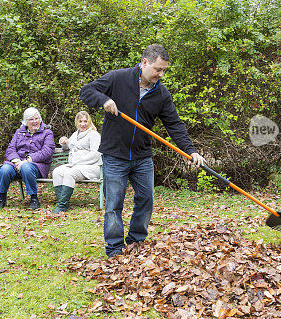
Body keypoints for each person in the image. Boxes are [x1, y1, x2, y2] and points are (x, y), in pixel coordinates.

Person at [80, 44, 206, 257]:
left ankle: (136, 241)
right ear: (145, 62)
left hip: (142, 156)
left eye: (164, 70)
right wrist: (105, 100)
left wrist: (190, 150)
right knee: (114, 204)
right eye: (158, 69)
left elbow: (174, 124)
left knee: (146, 200)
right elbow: (87, 91)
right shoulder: (118, 78)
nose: (161, 74)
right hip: (115, 155)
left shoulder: (161, 93)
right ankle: (115, 247)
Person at [0, 107, 55, 210]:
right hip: (17, 164)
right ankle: (2, 199)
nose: (35, 121)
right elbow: (10, 149)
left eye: (37, 118)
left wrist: (27, 160)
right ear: (26, 121)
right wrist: (18, 161)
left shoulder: (47, 132)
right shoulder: (19, 132)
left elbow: (47, 151)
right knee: (4, 169)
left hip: (37, 165)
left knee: (26, 167)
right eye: (31, 119)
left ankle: (34, 199)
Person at [52, 111, 102, 214]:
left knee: (69, 173)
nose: (83, 124)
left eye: (85, 121)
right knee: (57, 172)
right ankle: (63, 202)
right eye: (80, 121)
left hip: (93, 167)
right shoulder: (75, 134)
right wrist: (64, 142)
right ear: (76, 122)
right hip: (76, 165)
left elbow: (96, 154)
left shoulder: (93, 134)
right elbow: (68, 146)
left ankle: (61, 206)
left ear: (89, 122)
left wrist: (78, 161)